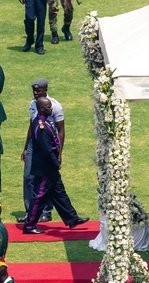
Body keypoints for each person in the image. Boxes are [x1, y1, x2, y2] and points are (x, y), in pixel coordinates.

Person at [22, 97, 88, 234]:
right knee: (39, 197)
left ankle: (72, 218)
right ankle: (29, 226)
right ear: (41, 108)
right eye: (48, 107)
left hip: (49, 168)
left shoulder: (43, 122)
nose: (51, 109)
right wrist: (56, 162)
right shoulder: (41, 126)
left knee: (59, 192)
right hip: (44, 168)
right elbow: (46, 150)